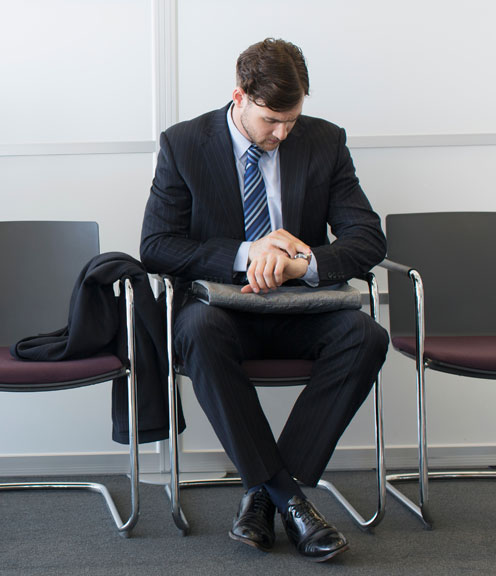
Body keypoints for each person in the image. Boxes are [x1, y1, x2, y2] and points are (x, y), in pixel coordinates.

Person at [140, 38, 388, 562]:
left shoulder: (325, 142)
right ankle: (291, 500)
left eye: (292, 120)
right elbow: (158, 247)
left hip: (302, 308)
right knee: (196, 333)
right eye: (271, 120)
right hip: (223, 311)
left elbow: (367, 237)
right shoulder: (185, 144)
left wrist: (302, 264)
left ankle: (264, 493)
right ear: (240, 96)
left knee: (367, 336)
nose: (281, 133)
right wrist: (248, 252)